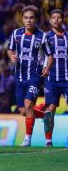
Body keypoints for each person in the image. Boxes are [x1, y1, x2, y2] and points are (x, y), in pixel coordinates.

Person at [7, 5, 53, 147]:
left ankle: (27, 139)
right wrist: (12, 57)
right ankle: (45, 116)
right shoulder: (16, 34)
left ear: (36, 19)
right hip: (19, 76)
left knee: (28, 105)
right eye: (26, 18)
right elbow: (10, 50)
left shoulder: (42, 36)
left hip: (35, 76)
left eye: (32, 18)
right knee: (23, 111)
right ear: (22, 19)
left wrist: (47, 68)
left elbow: (50, 55)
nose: (29, 21)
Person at [43, 9, 68, 147]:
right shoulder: (45, 37)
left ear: (63, 19)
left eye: (59, 17)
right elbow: (40, 55)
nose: (56, 20)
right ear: (50, 20)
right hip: (51, 78)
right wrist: (42, 66)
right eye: (54, 17)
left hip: (66, 78)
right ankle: (48, 140)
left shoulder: (67, 37)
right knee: (50, 109)